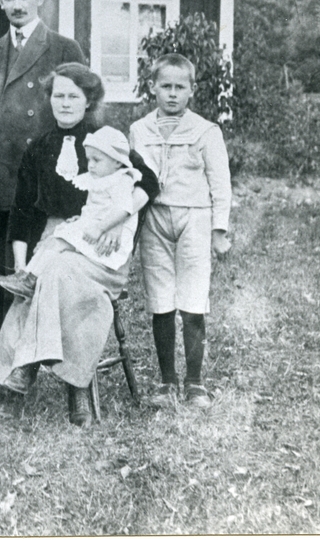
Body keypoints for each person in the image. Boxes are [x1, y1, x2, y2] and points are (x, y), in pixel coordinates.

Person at [0, 63, 157, 427]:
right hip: (56, 240)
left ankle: (51, 377)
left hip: (103, 248)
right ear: (49, 99)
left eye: (73, 96)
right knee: (42, 279)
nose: (64, 103)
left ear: (88, 100)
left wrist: (117, 220)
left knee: (57, 275)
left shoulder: (105, 139)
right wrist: (22, 267)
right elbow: (21, 212)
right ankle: (27, 380)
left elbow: (148, 181)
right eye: (58, 95)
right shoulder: (38, 148)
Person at [0, 0, 85, 328]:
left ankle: (45, 346)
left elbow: (83, 112)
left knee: (47, 269)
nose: (18, 5)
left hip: (46, 181)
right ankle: (9, 347)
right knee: (4, 275)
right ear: (0, 2)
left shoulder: (64, 49)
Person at [129, 53, 232, 410]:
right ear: (152, 87)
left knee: (192, 298)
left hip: (194, 217)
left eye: (179, 87)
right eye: (165, 86)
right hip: (154, 217)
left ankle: (195, 382)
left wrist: (219, 230)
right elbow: (132, 178)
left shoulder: (206, 131)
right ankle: (166, 380)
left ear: (192, 90)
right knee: (160, 298)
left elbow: (220, 183)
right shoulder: (140, 130)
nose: (172, 94)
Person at [0, 126, 141, 303]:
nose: (91, 165)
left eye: (96, 160)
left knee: (58, 242)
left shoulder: (121, 180)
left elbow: (124, 209)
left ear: (117, 162)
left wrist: (100, 227)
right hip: (94, 227)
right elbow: (97, 207)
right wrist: (83, 219)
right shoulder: (99, 178)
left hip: (105, 238)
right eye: (88, 159)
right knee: (52, 240)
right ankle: (26, 275)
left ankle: (30, 280)